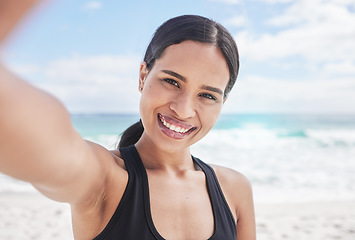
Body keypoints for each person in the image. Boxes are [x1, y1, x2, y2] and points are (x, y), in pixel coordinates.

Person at [0, 1, 256, 239]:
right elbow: (43, 140)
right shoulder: (104, 180)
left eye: (207, 95)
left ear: (223, 102)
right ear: (143, 76)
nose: (184, 109)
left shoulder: (234, 190)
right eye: (171, 81)